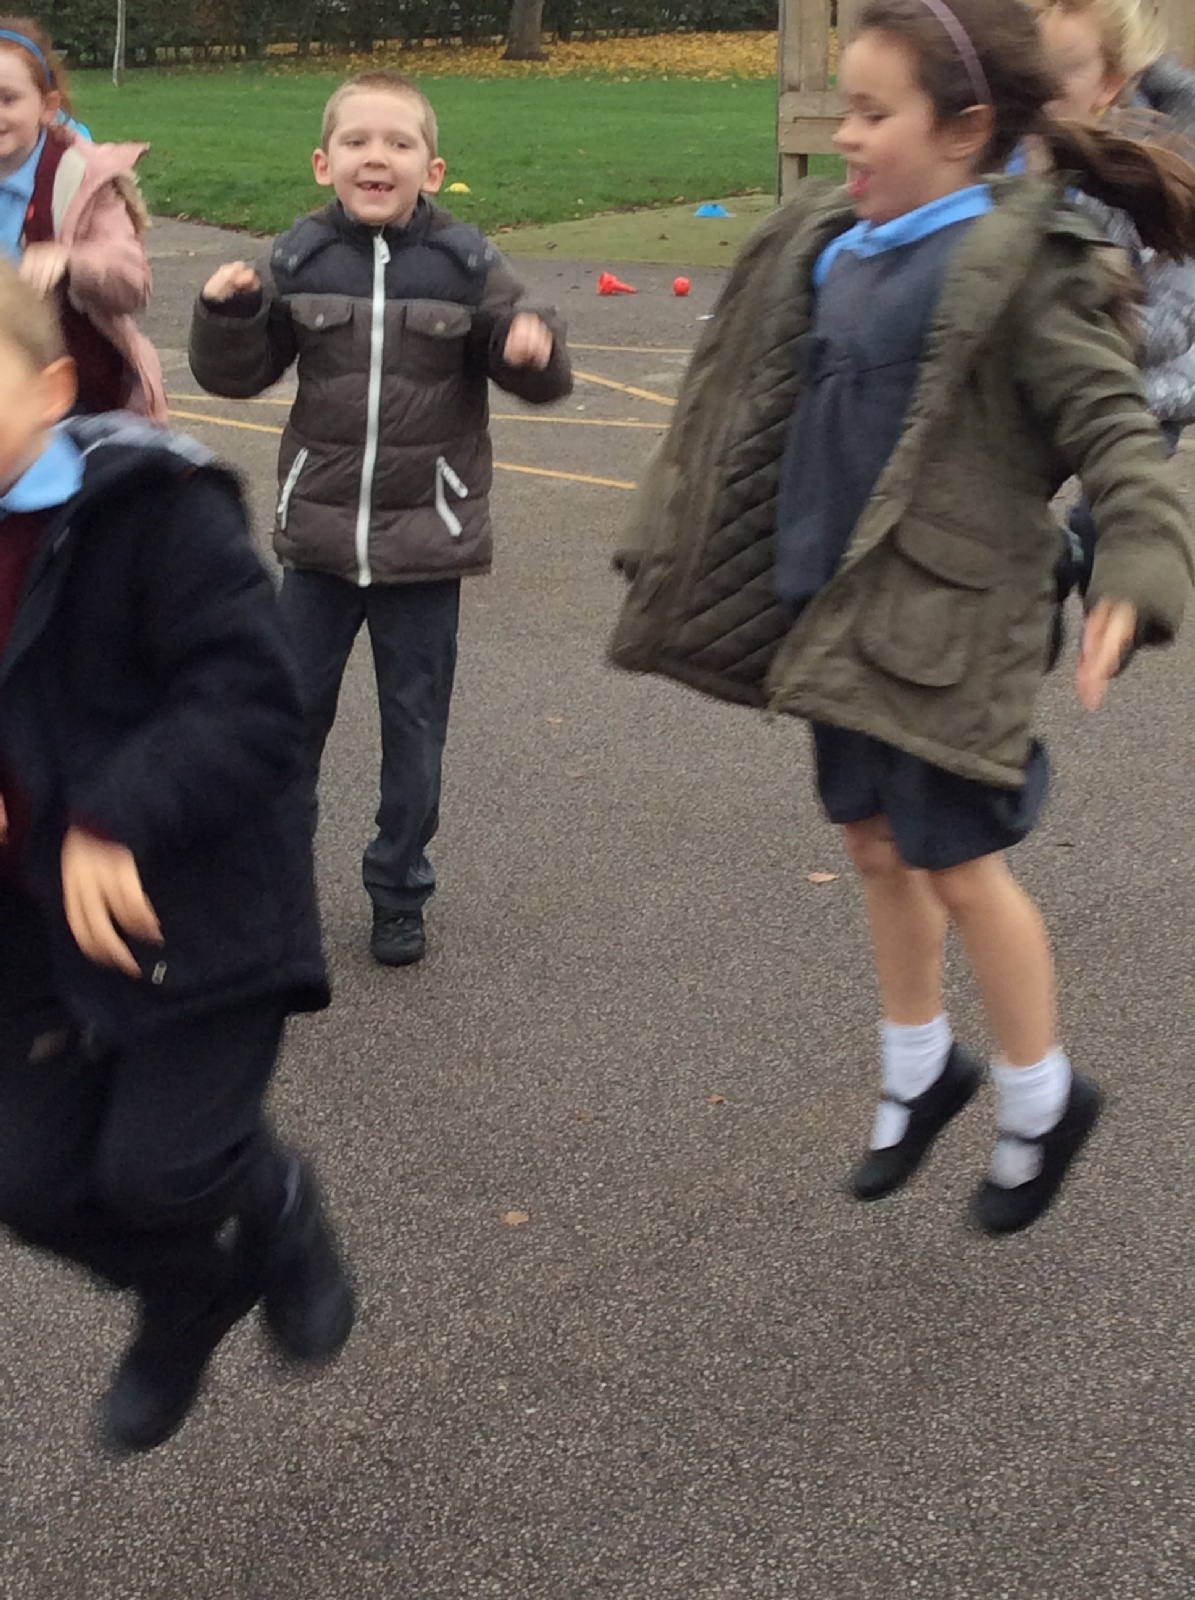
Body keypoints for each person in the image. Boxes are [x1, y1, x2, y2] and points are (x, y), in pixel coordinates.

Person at [610, 0, 1195, 1235]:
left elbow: (1117, 430)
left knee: (958, 864)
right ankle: (920, 1066)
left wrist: (1138, 569)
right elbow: (733, 404)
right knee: (872, 839)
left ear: (964, 129)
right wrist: (676, 536)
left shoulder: (1021, 267)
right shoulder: (832, 244)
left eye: (874, 113)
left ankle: (1042, 1096)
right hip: (837, 608)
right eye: (845, 107)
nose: (845, 135)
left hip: (954, 625)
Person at [0, 260, 353, 1454]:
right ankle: (191, 1292)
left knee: (162, 1171)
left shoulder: (152, 508)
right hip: (32, 918)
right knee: (28, 1182)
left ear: (53, 388)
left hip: (193, 899)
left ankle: (277, 1203)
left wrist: (112, 816)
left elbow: (254, 699)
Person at [189, 70, 573, 968]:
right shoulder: (298, 258)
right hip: (318, 545)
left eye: (398, 143)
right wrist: (226, 315)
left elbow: (535, 360)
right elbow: (236, 376)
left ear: (430, 170)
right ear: (323, 162)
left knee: (414, 737)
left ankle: (399, 888)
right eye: (357, 141)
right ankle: (277, 892)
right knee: (289, 725)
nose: (377, 157)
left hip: (424, 547)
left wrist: (531, 348)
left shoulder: (466, 263)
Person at [1026, 0, 1195, 597]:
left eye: (1063, 72)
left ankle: (1107, 581)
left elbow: (1178, 315)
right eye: (1032, 69)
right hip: (1063, 367)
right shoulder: (1024, 151)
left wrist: (1082, 335)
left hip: (1153, 376)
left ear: (1109, 82)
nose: (1042, 90)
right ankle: (1043, 576)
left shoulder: (1162, 162)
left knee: (1112, 522)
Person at [0, 17, 164, 419]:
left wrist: (72, 262)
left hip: (75, 391)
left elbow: (132, 282)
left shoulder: (80, 180)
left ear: (47, 106)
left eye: (7, 99)